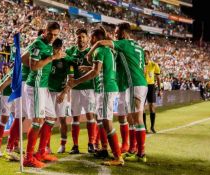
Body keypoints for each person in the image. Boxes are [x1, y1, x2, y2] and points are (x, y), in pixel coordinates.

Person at [61, 28, 124, 166]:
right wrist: (88, 68)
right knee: (101, 119)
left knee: (106, 121)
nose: (90, 40)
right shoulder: (108, 51)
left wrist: (76, 81)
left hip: (105, 89)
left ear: (96, 38)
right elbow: (100, 69)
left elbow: (96, 72)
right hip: (106, 88)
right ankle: (105, 149)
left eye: (92, 37)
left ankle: (117, 156)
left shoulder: (99, 50)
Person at [87, 23, 148, 162]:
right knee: (133, 118)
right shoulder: (137, 46)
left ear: (124, 33)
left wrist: (91, 50)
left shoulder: (124, 43)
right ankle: (133, 148)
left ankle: (141, 153)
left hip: (133, 83)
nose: (115, 35)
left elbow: (104, 42)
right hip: (140, 83)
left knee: (137, 118)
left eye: (117, 32)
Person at [21, 22, 65, 168]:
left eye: (56, 35)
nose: (53, 37)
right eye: (51, 34)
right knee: (37, 121)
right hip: (36, 86)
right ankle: (28, 158)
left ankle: (41, 153)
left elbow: (22, 57)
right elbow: (33, 66)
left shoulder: (45, 44)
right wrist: (52, 58)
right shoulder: (39, 44)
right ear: (45, 31)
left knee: (51, 118)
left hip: (43, 87)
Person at [58, 28, 97, 154]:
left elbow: (97, 68)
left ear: (87, 38)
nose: (80, 39)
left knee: (90, 116)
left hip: (89, 88)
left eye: (83, 37)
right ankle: (75, 146)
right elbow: (66, 61)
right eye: (78, 37)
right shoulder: (71, 51)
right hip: (75, 89)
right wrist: (70, 74)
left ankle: (91, 143)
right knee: (75, 118)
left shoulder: (92, 51)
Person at [143, 49, 161, 133]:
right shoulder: (140, 65)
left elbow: (158, 78)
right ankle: (144, 128)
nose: (144, 56)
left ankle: (152, 127)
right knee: (142, 108)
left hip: (151, 86)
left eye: (146, 55)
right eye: (143, 55)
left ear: (149, 55)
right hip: (142, 86)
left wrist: (159, 89)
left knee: (152, 106)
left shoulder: (154, 65)